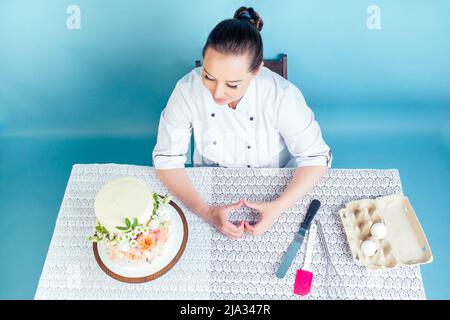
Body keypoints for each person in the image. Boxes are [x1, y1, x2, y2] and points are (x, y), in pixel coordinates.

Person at [152, 7, 332, 239]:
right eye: (208, 76)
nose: (217, 94)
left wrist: (278, 207)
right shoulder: (186, 90)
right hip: (207, 185)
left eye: (233, 85)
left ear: (257, 70)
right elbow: (167, 160)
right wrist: (206, 211)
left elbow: (316, 158)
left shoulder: (282, 95)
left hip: (276, 185)